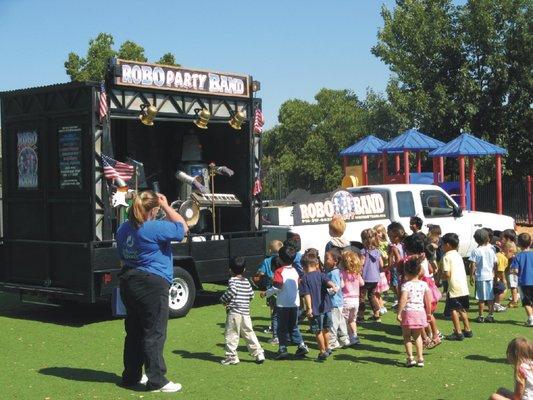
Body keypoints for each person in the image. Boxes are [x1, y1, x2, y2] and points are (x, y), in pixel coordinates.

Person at [116, 191, 188, 393]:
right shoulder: (154, 227)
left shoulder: (123, 229)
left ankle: (131, 376)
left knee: (134, 331)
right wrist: (167, 206)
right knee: (154, 332)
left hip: (129, 281)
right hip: (152, 284)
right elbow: (184, 228)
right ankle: (157, 380)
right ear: (153, 209)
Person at [261, 244, 309, 360]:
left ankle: (282, 348)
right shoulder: (296, 271)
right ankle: (301, 345)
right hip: (294, 304)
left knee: (281, 327)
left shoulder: (279, 271)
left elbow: (277, 287)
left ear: (280, 259)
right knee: (293, 326)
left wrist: (266, 293)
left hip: (283, 304)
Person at [220, 257, 265, 365]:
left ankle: (231, 356)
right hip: (246, 313)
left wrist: (223, 299)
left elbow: (232, 291)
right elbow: (251, 295)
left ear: (230, 270)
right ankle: (259, 353)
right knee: (249, 333)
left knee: (231, 334)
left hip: (235, 312)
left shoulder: (232, 280)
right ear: (244, 270)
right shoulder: (246, 281)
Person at [301, 249, 338, 360]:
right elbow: (328, 282)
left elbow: (307, 295)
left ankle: (322, 351)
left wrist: (309, 308)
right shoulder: (321, 274)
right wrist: (333, 286)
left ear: (303, 267)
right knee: (326, 329)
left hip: (316, 310)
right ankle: (328, 347)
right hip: (326, 307)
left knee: (317, 331)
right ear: (316, 264)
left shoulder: (304, 279)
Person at [396, 257, 431, 368]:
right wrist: (429, 312)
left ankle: (410, 358)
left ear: (406, 271)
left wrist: (399, 312)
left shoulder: (406, 285)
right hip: (420, 312)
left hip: (408, 312)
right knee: (418, 336)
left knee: (406, 336)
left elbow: (403, 299)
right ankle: (420, 358)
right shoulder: (424, 284)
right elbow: (428, 300)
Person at [442, 233, 473, 341]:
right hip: (463, 286)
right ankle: (468, 329)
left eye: (443, 244)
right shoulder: (458, 255)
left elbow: (447, 274)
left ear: (448, 245)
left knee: (453, 310)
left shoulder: (446, 256)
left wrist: (439, 277)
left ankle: (458, 332)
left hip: (454, 287)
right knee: (462, 309)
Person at [252, 240, 283, 343]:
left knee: (273, 311)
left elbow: (261, 272)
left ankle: (275, 333)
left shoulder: (267, 261)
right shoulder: (283, 260)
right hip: (283, 288)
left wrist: (257, 276)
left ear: (270, 250)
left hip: (271, 287)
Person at [324, 247, 350, 349]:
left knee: (333, 323)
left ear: (335, 261)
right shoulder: (337, 272)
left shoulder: (333, 273)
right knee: (341, 321)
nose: (325, 261)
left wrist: (325, 292)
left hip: (334, 302)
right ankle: (345, 339)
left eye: (327, 259)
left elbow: (336, 287)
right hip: (339, 302)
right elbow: (342, 284)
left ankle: (332, 342)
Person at [470, 228, 497, 323]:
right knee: (490, 297)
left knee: (481, 298)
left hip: (480, 276)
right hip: (490, 276)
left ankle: (481, 316)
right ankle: (490, 315)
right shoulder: (492, 249)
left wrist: (471, 275)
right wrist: (496, 274)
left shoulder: (476, 251)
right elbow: (495, 264)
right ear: (488, 239)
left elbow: (473, 264)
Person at [340, 249, 365, 345]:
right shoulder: (356, 274)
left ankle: (345, 338)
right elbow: (362, 283)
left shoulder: (342, 273)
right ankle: (354, 337)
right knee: (352, 320)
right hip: (355, 300)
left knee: (343, 320)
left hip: (346, 299)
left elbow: (341, 285)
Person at [358, 228, 383, 322]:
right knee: (371, 296)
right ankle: (377, 315)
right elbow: (381, 265)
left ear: (364, 240)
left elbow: (361, 264)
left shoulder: (363, 251)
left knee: (361, 297)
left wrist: (358, 272)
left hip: (365, 278)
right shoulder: (377, 251)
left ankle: (360, 316)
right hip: (375, 278)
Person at [510, 233, 533, 327]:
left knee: (526, 302)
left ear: (518, 243)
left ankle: (531, 318)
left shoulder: (518, 256)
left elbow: (515, 270)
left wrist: (516, 273)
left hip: (524, 282)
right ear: (531, 242)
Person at [499, 229, 520, 308]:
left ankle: (514, 301)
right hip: (512, 268)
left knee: (512, 285)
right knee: (512, 285)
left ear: (507, 238)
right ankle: (514, 299)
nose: (501, 238)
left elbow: (508, 256)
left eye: (503, 237)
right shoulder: (511, 243)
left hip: (511, 268)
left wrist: (501, 254)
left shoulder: (509, 245)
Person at [494, 241, 517, 312]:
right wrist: (504, 279)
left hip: (494, 277)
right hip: (495, 277)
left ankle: (495, 304)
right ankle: (496, 305)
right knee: (503, 290)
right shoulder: (502, 258)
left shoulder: (498, 254)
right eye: (513, 253)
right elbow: (500, 270)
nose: (513, 255)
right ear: (508, 251)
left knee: (498, 290)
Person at [374, 224, 390, 315]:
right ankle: (381, 305)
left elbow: (386, 254)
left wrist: (385, 256)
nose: (378, 235)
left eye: (379, 232)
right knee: (377, 292)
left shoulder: (385, 243)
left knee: (376, 292)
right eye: (376, 233)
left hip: (382, 268)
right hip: (380, 269)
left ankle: (380, 307)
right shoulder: (376, 244)